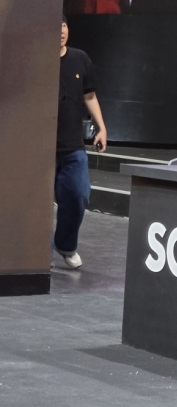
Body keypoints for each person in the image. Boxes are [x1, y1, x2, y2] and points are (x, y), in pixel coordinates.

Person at [55, 16, 108, 269]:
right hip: (39, 147)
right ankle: (33, 255)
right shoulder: (36, 59)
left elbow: (90, 96)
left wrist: (102, 128)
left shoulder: (80, 58)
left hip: (72, 145)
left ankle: (65, 245)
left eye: (64, 25)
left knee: (79, 195)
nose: (61, 30)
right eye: (55, 25)